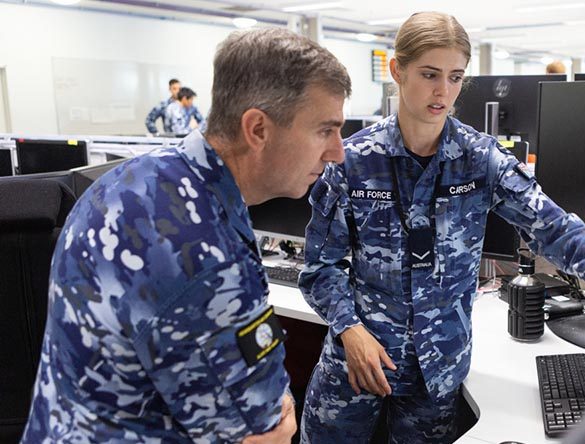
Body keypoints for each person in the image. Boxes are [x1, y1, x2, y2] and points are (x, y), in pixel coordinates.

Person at [299, 11, 585, 443]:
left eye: (456, 77)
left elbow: (557, 230)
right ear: (397, 70)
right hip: (357, 363)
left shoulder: (480, 159)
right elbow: (319, 269)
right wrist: (350, 329)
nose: (443, 91)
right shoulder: (352, 160)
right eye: (429, 74)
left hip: (436, 371)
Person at [22, 27, 351, 443]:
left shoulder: (127, 179)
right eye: (325, 129)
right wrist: (281, 416)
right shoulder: (208, 259)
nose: (337, 151)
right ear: (258, 129)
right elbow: (268, 435)